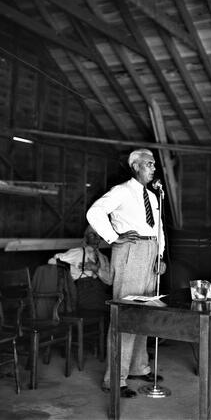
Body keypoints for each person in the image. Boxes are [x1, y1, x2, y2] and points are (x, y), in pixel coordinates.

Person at [86, 148, 166, 398]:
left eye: (154, 164)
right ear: (135, 166)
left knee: (145, 312)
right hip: (130, 251)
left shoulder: (153, 196)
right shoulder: (121, 191)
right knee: (126, 314)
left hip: (150, 252)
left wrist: (159, 256)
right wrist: (113, 238)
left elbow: (159, 228)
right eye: (149, 164)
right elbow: (94, 212)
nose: (154, 168)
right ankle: (115, 379)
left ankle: (138, 367)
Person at [48, 225, 111, 311]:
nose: (97, 239)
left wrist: (95, 269)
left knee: (112, 308)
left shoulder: (103, 258)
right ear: (86, 238)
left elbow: (109, 281)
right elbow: (53, 260)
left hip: (100, 291)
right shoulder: (78, 252)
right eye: (93, 236)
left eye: (99, 235)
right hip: (85, 293)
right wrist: (65, 273)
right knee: (107, 309)